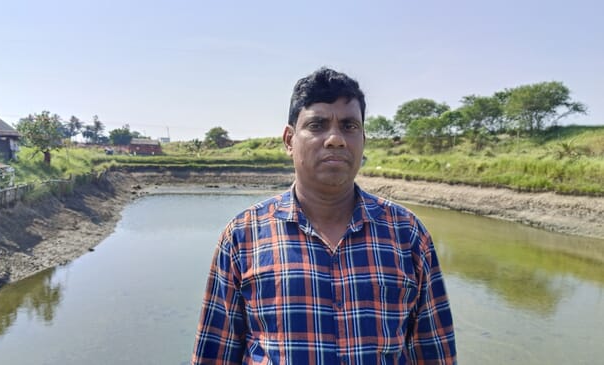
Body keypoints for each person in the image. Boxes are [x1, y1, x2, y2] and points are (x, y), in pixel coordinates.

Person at [192, 67, 456, 364]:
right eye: (317, 125)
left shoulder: (406, 233)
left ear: (363, 140)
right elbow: (214, 355)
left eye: (349, 126)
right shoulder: (243, 236)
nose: (335, 139)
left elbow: (434, 351)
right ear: (289, 140)